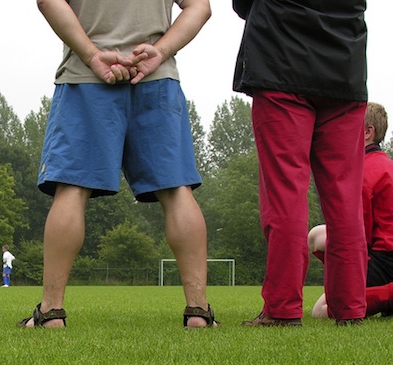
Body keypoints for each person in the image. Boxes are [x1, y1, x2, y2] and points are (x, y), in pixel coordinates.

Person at [19, 0, 218, 329]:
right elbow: (200, 7)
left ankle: (51, 313)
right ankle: (197, 312)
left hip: (86, 78)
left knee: (71, 189)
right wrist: (159, 51)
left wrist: (93, 55)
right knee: (176, 190)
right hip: (156, 77)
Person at [233, 0, 368, 326]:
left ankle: (282, 308)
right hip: (344, 70)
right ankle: (350, 308)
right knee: (345, 198)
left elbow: (242, 4)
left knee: (285, 192)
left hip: (281, 64)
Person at [309, 103, 393, 319]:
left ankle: (384, 296)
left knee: (321, 311)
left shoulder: (364, 172)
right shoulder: (385, 165)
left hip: (383, 260)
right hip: (383, 254)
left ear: (367, 132)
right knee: (317, 234)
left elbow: (357, 236)